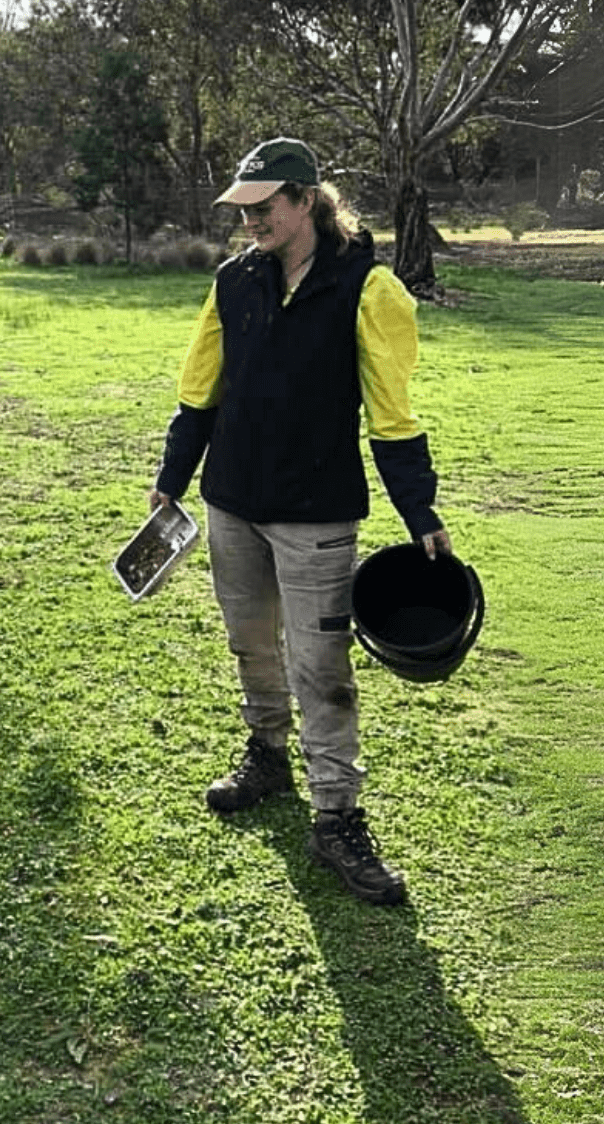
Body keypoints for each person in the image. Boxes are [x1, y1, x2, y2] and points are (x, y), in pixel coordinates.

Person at [147, 137, 453, 906]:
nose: (250, 222)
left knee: (322, 668)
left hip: (317, 514)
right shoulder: (232, 282)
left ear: (306, 200)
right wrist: (172, 480)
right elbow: (199, 391)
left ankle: (337, 817)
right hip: (232, 502)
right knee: (250, 642)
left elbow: (391, 413)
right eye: (242, 210)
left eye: (263, 208)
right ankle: (267, 754)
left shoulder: (366, 288)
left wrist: (419, 510)